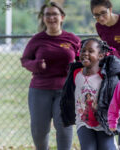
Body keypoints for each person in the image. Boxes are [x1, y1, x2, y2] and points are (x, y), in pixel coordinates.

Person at [20, 2, 80, 150]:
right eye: (48, 14)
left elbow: (82, 60)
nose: (51, 17)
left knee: (64, 128)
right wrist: (36, 65)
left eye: (55, 14)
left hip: (64, 90)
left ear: (62, 17)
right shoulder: (37, 39)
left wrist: (75, 68)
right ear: (43, 18)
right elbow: (25, 60)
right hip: (40, 90)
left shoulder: (72, 39)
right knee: (39, 131)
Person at [60, 38, 120, 150]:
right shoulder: (75, 73)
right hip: (84, 120)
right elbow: (68, 95)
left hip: (103, 121)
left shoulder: (107, 76)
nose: (85, 54)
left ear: (101, 56)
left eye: (90, 51)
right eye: (83, 51)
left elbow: (118, 98)